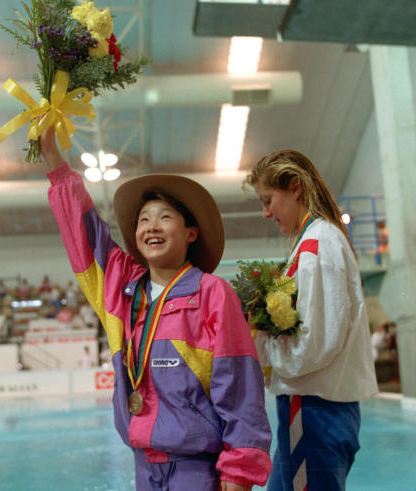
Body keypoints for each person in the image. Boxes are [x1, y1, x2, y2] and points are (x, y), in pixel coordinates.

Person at [40, 129, 271, 490]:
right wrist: (55, 163)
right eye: (144, 220)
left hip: (199, 470)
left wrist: (239, 469)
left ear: (191, 232)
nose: (152, 227)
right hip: (145, 468)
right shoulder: (121, 292)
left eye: (165, 217)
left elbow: (239, 385)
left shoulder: (212, 293)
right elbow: (85, 233)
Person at [245, 149, 378, 491]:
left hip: (313, 410)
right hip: (312, 409)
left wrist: (257, 340)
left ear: (295, 187)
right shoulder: (314, 242)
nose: (265, 212)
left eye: (268, 200)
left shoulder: (318, 246)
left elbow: (313, 347)